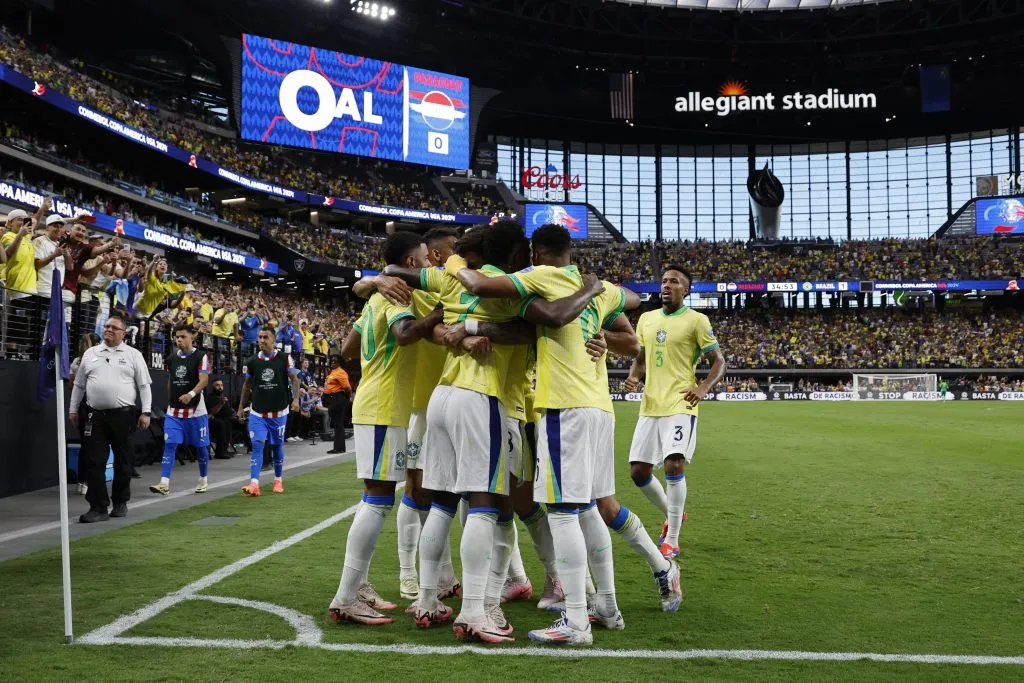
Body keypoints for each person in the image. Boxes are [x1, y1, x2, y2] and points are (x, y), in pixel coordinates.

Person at [453, 223, 678, 644]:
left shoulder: (540, 277)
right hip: (599, 407)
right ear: (571, 250)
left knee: (561, 512)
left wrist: (451, 268)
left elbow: (481, 285)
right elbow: (634, 297)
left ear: (537, 253)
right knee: (591, 508)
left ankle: (576, 619)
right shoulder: (596, 285)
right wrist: (597, 299)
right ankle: (607, 606)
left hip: (564, 407)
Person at [383, 221, 605, 642]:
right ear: (516, 254)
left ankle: (429, 599)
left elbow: (401, 273)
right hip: (482, 398)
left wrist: (378, 279)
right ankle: (475, 611)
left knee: (443, 503)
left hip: (442, 398)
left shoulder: (450, 279)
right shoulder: (511, 288)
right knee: (487, 505)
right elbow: (547, 323)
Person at [328, 232, 444, 626]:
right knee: (377, 500)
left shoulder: (377, 297)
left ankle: (358, 585)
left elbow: (346, 348)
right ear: (412, 263)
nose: (430, 263)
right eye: (426, 258)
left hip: (378, 404)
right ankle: (345, 596)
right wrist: (438, 315)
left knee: (377, 497)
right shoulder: (397, 297)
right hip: (382, 407)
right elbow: (406, 335)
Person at [623, 267, 726, 563]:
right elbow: (640, 360)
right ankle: (672, 513)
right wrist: (633, 377)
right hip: (651, 403)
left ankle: (672, 539)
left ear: (686, 290)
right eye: (664, 281)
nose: (667, 285)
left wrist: (704, 386)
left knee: (673, 463)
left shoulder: (697, 320)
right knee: (638, 472)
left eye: (674, 282)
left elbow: (718, 361)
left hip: (682, 401)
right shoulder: (646, 318)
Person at [68, 311, 153, 523]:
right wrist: (72, 409)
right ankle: (98, 507)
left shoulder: (133, 355)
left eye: (114, 328)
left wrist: (146, 412)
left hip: (123, 416)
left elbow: (144, 386)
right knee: (94, 461)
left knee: (123, 461)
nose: (109, 330)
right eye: (107, 326)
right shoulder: (91, 354)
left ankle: (121, 502)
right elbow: (79, 385)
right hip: (94, 416)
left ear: (123, 333)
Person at [236, 326, 301, 496]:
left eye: (266, 337)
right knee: (258, 445)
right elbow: (247, 386)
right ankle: (254, 483)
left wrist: (295, 399)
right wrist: (241, 407)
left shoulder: (284, 358)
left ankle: (278, 479)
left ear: (273, 340)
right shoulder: (251, 362)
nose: (262, 340)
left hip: (279, 413)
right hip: (258, 413)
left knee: (277, 446)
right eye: (260, 337)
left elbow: (295, 379)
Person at [150, 324, 212, 495]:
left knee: (200, 447)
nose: (179, 340)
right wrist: (171, 399)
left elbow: (204, 380)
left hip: (196, 410)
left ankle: (203, 478)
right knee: (170, 444)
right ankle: (164, 482)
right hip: (175, 411)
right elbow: (171, 380)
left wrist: (190, 394)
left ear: (193, 337)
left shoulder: (201, 356)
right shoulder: (171, 359)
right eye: (177, 337)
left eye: (183, 336)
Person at [322, 355, 352, 454]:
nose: (332, 363)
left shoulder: (341, 372)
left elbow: (347, 388)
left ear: (339, 363)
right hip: (332, 399)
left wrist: (347, 398)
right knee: (336, 424)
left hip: (338, 398)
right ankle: (338, 447)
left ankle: (339, 448)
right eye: (331, 361)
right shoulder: (333, 372)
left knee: (338, 424)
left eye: (335, 361)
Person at [206, 378, 235, 459]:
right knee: (222, 424)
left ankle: (224, 450)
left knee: (230, 423)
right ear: (212, 386)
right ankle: (219, 453)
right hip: (213, 421)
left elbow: (229, 411)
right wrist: (221, 403)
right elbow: (212, 413)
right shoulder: (211, 397)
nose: (220, 387)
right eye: (217, 385)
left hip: (225, 419)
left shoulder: (222, 397)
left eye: (221, 385)